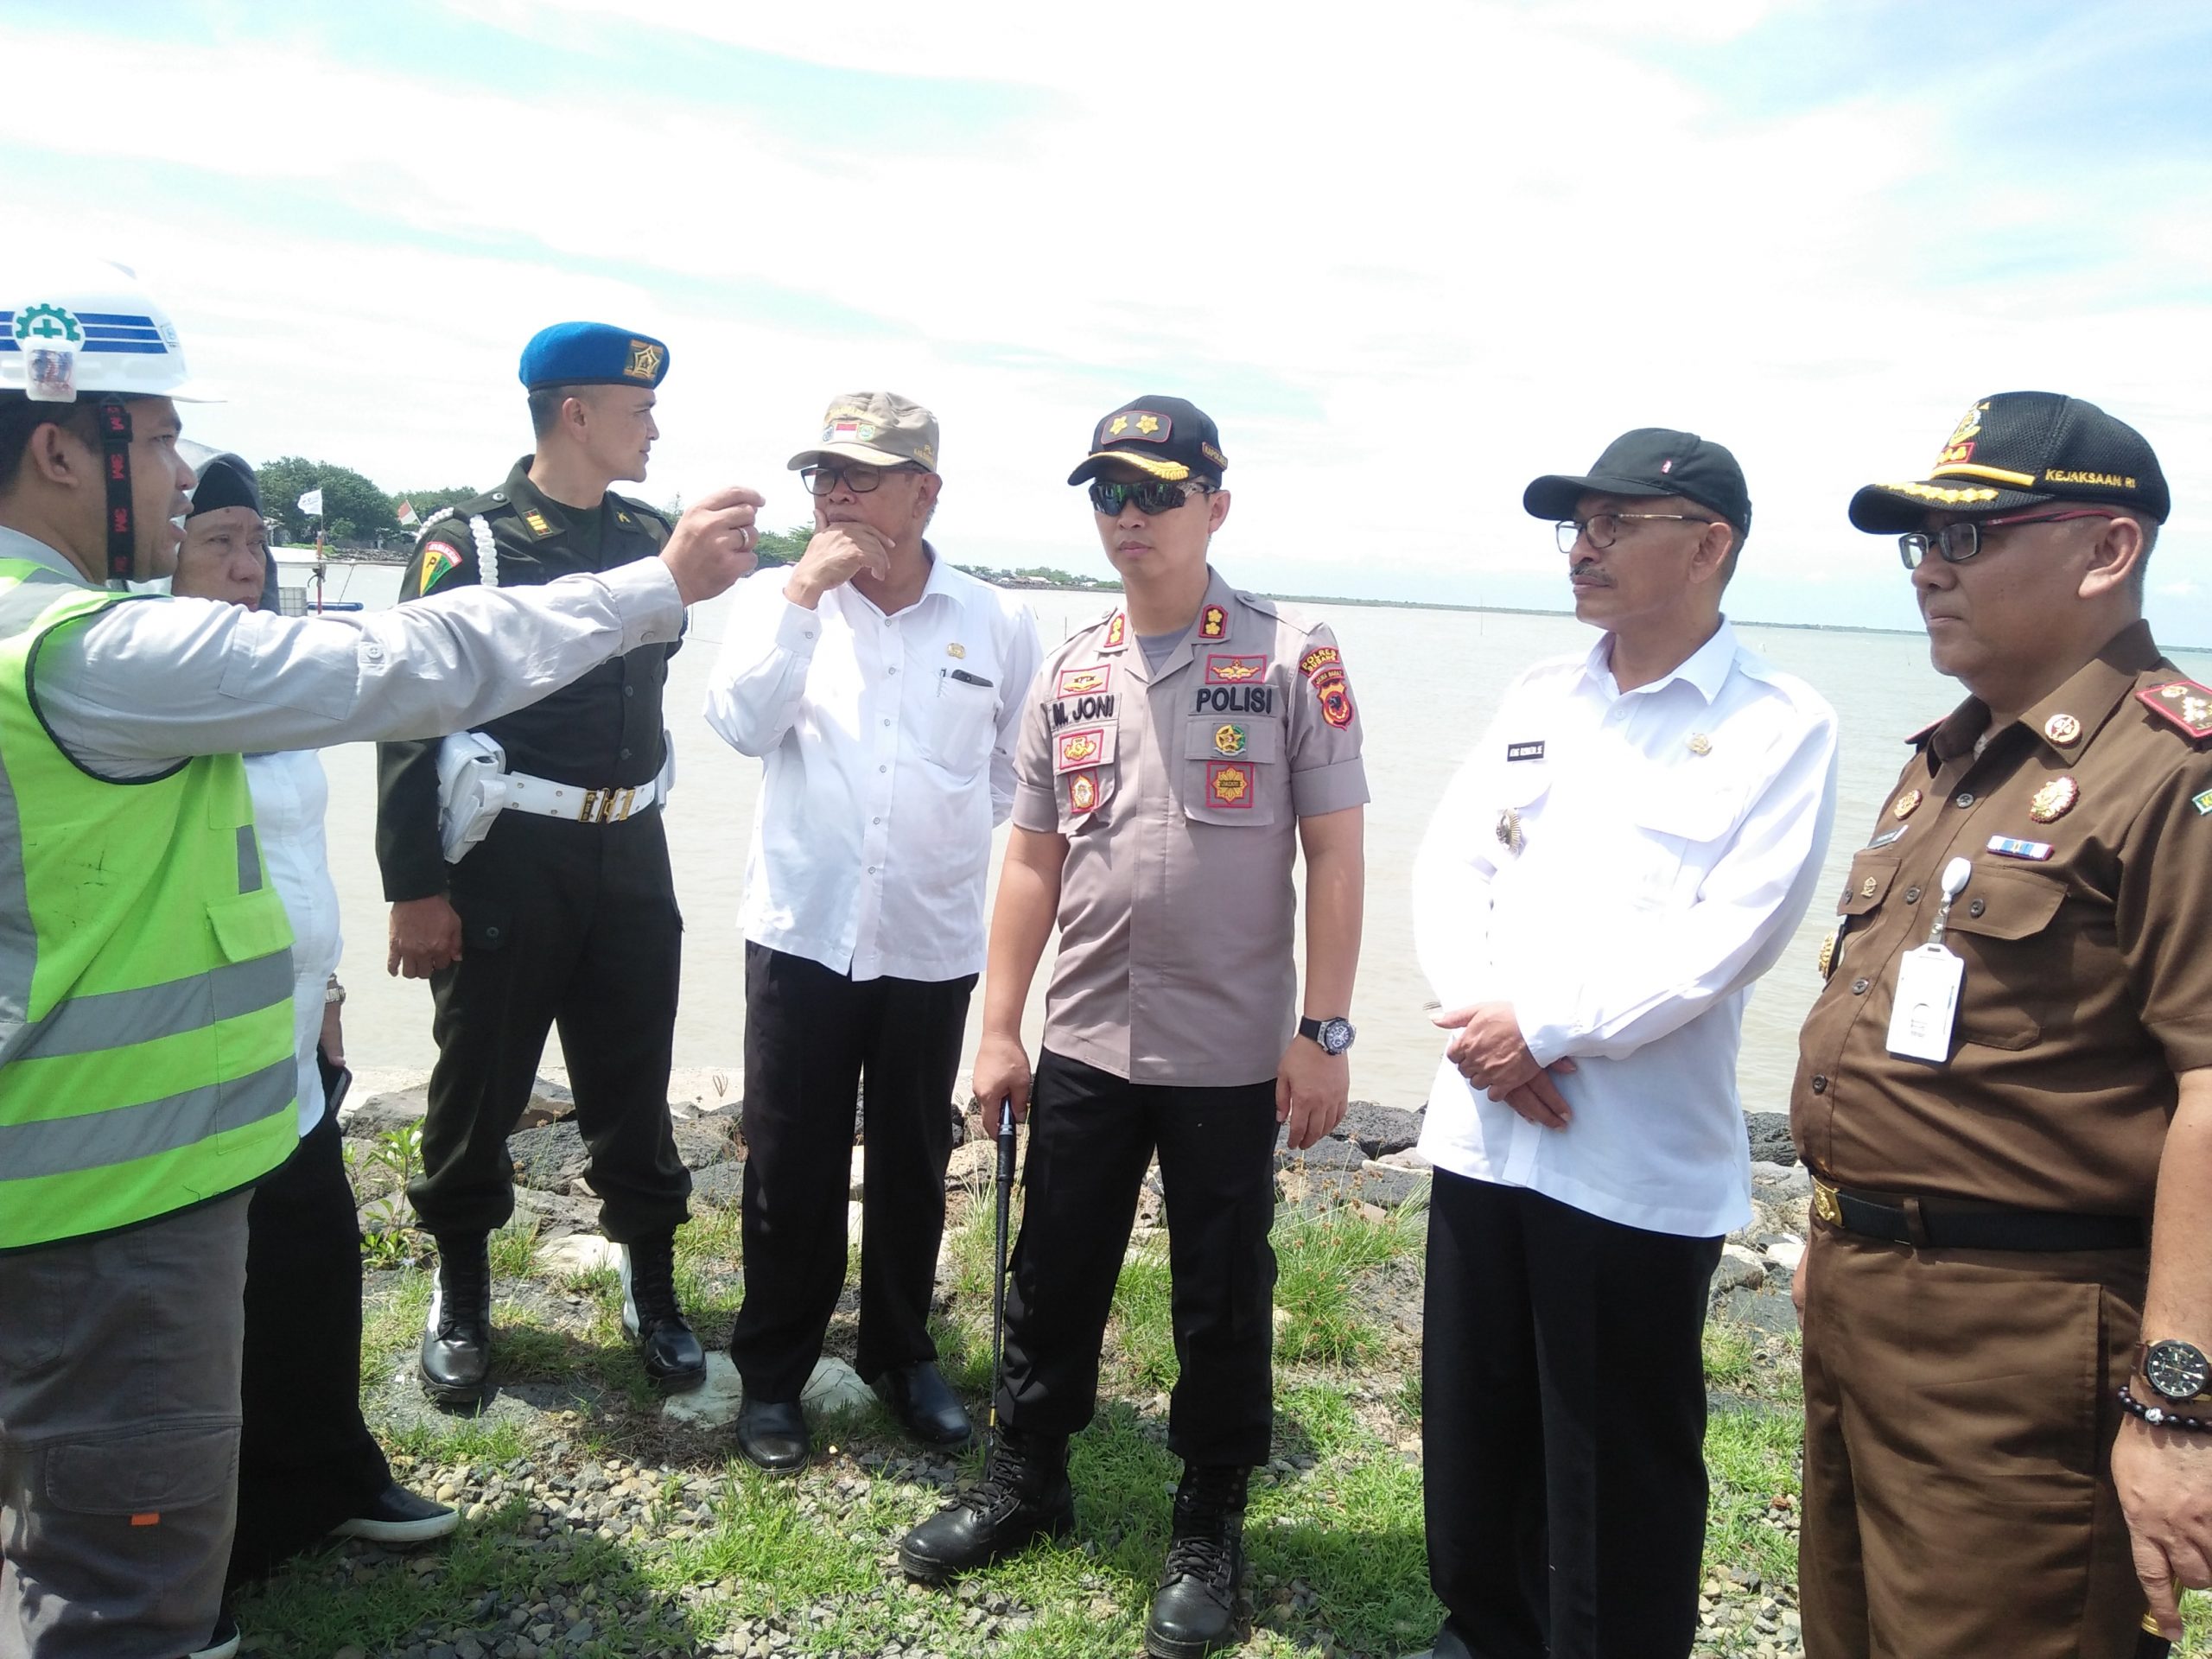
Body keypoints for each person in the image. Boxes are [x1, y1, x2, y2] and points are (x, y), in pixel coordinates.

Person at [0, 264, 760, 1659]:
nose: (179, 480)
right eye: (159, 442)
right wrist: (646, 590)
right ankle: (450, 1315)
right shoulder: (73, 652)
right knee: (117, 1587)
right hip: (97, 1209)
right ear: (59, 448)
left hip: (142, 1165)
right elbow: (402, 672)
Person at [896, 396, 1368, 1659]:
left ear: (1217, 503)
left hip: (1227, 1057)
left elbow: (1335, 852)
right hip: (1089, 1043)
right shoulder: (1073, 665)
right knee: (1053, 1272)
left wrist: (1323, 1031)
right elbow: (1032, 861)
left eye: (1155, 492)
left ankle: (1209, 1517)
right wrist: (998, 1030)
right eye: (1107, 493)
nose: (1127, 516)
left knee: (1220, 1300)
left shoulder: (1289, 655)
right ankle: (1026, 1476)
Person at [1402, 429, 1838, 1659]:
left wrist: (1541, 1027)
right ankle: (1481, 1631)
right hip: (1490, 1131)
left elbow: (1730, 940)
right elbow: (1454, 863)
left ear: (1710, 544)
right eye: (1574, 524)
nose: (1582, 547)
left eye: (1613, 522)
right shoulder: (1543, 695)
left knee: (1618, 1456)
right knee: (1475, 1422)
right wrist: (1486, 1026)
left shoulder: (1778, 726)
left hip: (1632, 1160)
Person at [1791, 391, 2211, 1659]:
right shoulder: (1955, 757)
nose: (1930, 571)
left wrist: (2179, 1405)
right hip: (1864, 1302)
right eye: (1919, 543)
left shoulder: (2175, 772)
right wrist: (1835, 1220)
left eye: (1969, 539)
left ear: (2105, 552)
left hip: (2023, 1344)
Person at [702, 392, 1040, 1471]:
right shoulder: (774, 599)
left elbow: (1012, 779)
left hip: (929, 936)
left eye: (860, 475)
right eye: (822, 475)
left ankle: (902, 1353)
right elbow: (741, 728)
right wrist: (804, 591)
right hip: (802, 929)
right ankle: (773, 1372)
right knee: (788, 1161)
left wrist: (927, 839)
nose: (834, 493)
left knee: (909, 1158)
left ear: (924, 491)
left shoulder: (994, 620)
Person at [377, 322, 709, 1408]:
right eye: (637, 409)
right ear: (576, 414)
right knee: (478, 1084)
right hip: (505, 852)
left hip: (630, 847)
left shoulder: (654, 538)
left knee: (633, 1074)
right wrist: (413, 886)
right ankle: (461, 1291)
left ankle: (649, 1284)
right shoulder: (467, 542)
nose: (654, 427)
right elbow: (407, 719)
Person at [168, 453, 460, 1588]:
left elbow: (286, 856)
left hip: (292, 1036)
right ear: (163, 555)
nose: (246, 568)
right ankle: (202, 1545)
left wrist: (326, 992)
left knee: (312, 1263)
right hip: (185, 1060)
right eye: (217, 543)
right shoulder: (152, 688)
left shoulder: (271, 682)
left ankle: (334, 1475)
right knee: (196, 1308)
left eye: (256, 545)